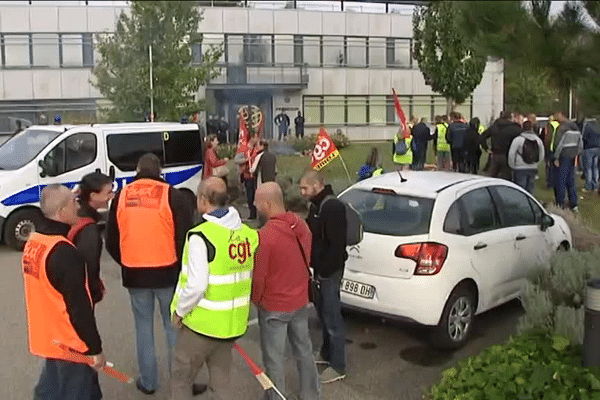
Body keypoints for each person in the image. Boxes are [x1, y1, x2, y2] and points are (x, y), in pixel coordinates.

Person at [105, 153, 194, 395]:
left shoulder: (122, 196)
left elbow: (111, 239)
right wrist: (180, 268)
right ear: (160, 171)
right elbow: (186, 236)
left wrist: (125, 261)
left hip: (135, 273)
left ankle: (148, 382)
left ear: (137, 170)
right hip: (167, 272)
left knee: (143, 328)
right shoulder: (172, 194)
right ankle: (180, 383)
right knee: (174, 327)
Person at [170, 177, 258, 400]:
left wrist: (179, 312)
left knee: (181, 379)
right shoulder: (248, 234)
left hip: (202, 325)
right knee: (221, 382)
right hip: (231, 325)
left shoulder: (201, 237)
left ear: (202, 200)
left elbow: (197, 285)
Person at [24, 184, 105, 400]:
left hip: (48, 336)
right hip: (71, 343)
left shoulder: (34, 243)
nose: (77, 206)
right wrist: (95, 348)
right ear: (61, 211)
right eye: (73, 202)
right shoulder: (65, 253)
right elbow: (79, 308)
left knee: (51, 390)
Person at [252, 182, 321, 400]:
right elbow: (307, 257)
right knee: (304, 351)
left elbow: (259, 277)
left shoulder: (266, 236)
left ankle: (277, 397)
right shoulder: (300, 225)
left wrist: (256, 299)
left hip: (274, 307)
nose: (254, 205)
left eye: (257, 201)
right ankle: (311, 394)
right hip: (300, 301)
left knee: (274, 359)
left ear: (267, 204)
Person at [299, 171, 347, 384]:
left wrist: (324, 271)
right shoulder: (316, 206)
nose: (301, 193)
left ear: (317, 185)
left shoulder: (332, 207)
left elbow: (336, 245)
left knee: (332, 317)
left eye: (304, 188)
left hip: (328, 271)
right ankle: (326, 354)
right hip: (318, 271)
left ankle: (338, 366)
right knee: (324, 315)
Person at [69, 172, 114, 305]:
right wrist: (95, 292)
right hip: (81, 295)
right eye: (108, 193)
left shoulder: (75, 213)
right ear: (93, 196)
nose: (112, 196)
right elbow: (90, 267)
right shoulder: (89, 229)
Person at [551, 111, 583, 211]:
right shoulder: (575, 128)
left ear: (561, 115)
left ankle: (560, 203)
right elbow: (580, 143)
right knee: (571, 180)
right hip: (573, 155)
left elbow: (559, 144)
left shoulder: (562, 128)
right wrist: (577, 153)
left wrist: (556, 157)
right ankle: (574, 203)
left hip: (563, 156)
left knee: (561, 180)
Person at [480, 111, 522, 180]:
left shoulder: (494, 126)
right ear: (510, 118)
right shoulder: (514, 128)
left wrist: (486, 148)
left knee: (491, 176)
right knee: (506, 177)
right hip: (508, 154)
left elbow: (482, 137)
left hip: (495, 154)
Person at [508, 120, 545, 194]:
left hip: (519, 168)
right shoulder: (538, 140)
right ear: (532, 128)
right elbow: (542, 154)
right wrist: (536, 163)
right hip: (533, 168)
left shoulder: (518, 139)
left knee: (520, 190)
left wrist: (512, 166)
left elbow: (511, 154)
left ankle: (520, 204)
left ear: (522, 127)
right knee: (530, 190)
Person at [235, 132, 260, 220]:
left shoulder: (257, 148)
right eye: (256, 138)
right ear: (252, 138)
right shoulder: (243, 148)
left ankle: (258, 213)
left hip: (256, 175)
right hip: (247, 175)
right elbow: (236, 160)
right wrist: (246, 160)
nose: (258, 140)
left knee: (257, 194)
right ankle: (252, 213)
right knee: (250, 194)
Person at [581, 119, 600, 192]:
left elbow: (584, 137)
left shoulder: (588, 127)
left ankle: (588, 186)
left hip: (589, 148)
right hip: (597, 148)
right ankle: (595, 185)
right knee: (595, 167)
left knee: (588, 167)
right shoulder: (598, 127)